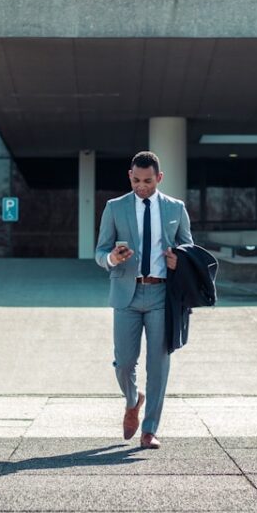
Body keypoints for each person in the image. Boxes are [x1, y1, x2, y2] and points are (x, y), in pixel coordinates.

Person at [95, 151, 193, 449]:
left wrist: (181, 260)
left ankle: (149, 430)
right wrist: (111, 257)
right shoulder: (115, 208)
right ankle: (132, 399)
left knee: (158, 364)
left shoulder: (176, 208)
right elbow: (100, 252)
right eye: (136, 180)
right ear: (130, 176)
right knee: (124, 363)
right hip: (127, 293)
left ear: (159, 178)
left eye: (148, 181)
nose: (142, 186)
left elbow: (189, 246)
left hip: (162, 294)